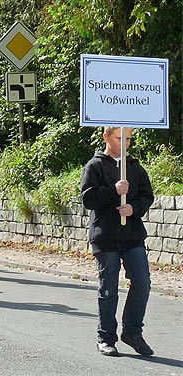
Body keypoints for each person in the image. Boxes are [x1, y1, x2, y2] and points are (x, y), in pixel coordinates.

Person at [81, 126, 155, 357]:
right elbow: (89, 199)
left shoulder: (134, 167)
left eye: (129, 138)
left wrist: (134, 208)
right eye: (120, 138)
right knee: (109, 289)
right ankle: (105, 338)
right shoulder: (94, 166)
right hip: (106, 236)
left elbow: (146, 196)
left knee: (142, 282)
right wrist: (113, 190)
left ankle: (132, 331)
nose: (126, 142)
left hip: (132, 235)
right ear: (106, 137)